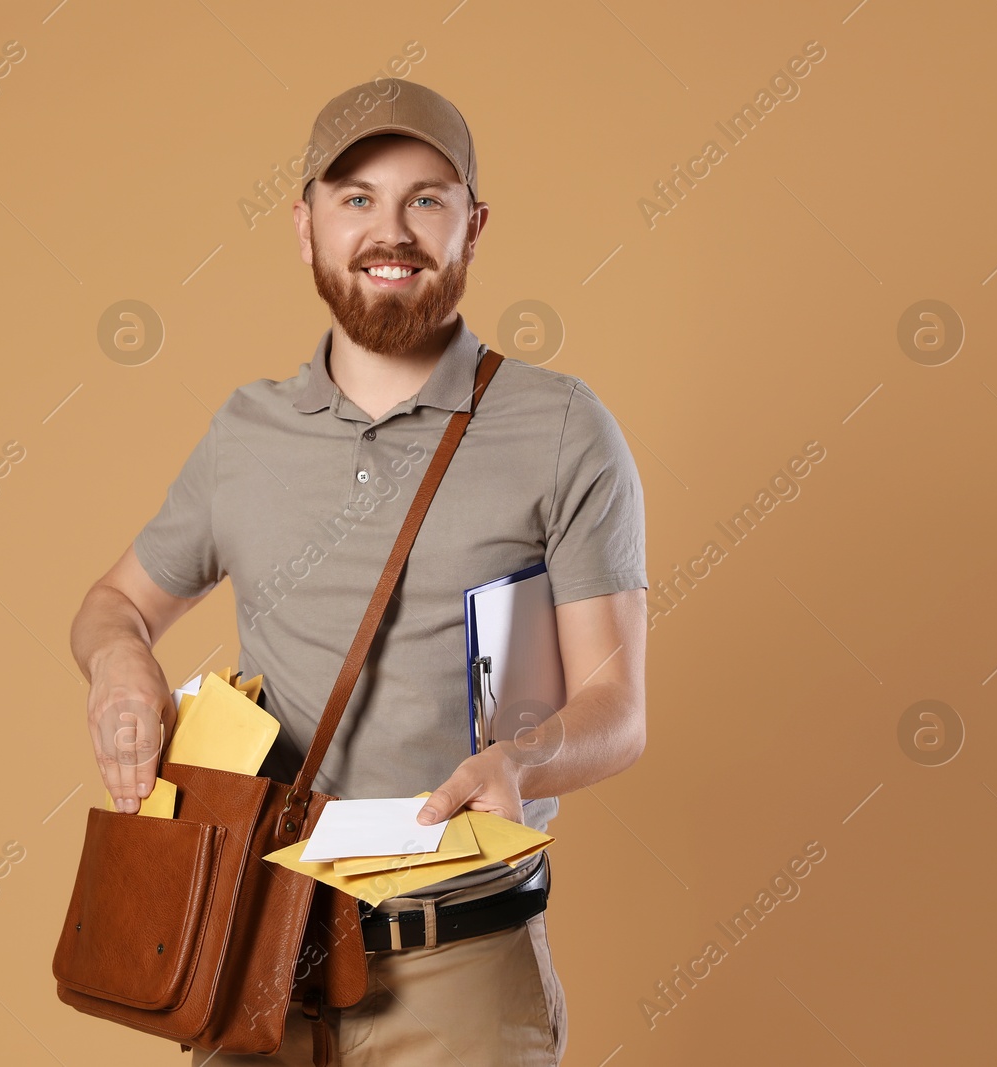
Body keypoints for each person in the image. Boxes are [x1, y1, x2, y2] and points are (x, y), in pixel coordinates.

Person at [68, 79, 649, 1066]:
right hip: (250, 956)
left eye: (426, 198)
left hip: (457, 967)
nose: (393, 230)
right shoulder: (246, 432)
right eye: (356, 198)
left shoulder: (559, 427)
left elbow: (617, 704)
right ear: (305, 227)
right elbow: (114, 602)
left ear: (472, 223)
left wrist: (524, 760)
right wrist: (118, 665)